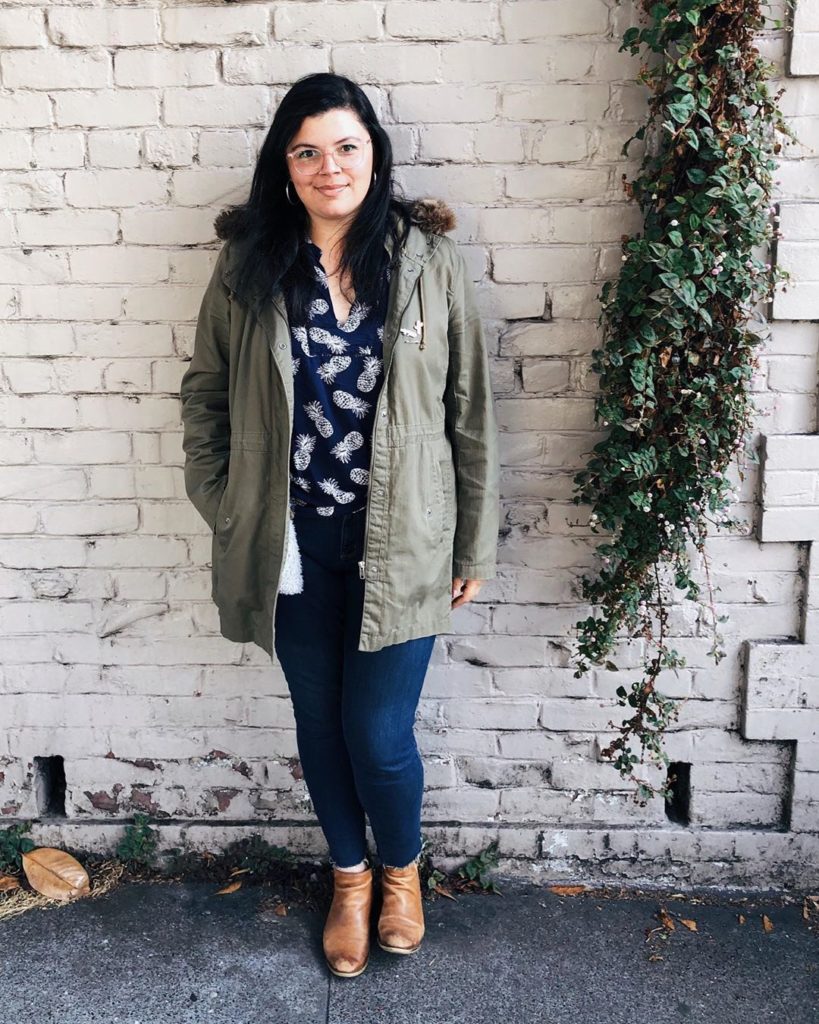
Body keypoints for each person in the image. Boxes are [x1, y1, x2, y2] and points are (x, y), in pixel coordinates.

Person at [179, 73, 499, 978]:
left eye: (346, 147)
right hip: (289, 546)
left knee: (378, 734)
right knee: (318, 725)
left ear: (373, 154)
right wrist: (226, 504)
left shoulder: (425, 260)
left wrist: (470, 539)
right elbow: (204, 395)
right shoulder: (248, 266)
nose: (330, 167)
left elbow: (468, 409)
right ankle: (351, 882)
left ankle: (403, 876)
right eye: (307, 151)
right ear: (285, 167)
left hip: (403, 543)